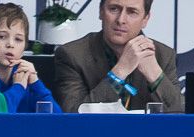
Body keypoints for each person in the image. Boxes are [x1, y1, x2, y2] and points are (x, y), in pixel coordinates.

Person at [53, 0, 183, 114]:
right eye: (114, 9)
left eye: (132, 12)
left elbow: (181, 116)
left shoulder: (163, 55)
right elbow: (73, 115)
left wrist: (155, 75)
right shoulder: (72, 55)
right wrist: (120, 71)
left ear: (145, 19)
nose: (121, 20)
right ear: (101, 12)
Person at [0, 3, 60, 113]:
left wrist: (36, 83)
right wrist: (19, 87)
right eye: (1, 37)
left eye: (18, 39)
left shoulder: (27, 78)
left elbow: (56, 118)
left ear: (24, 47)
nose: (10, 44)